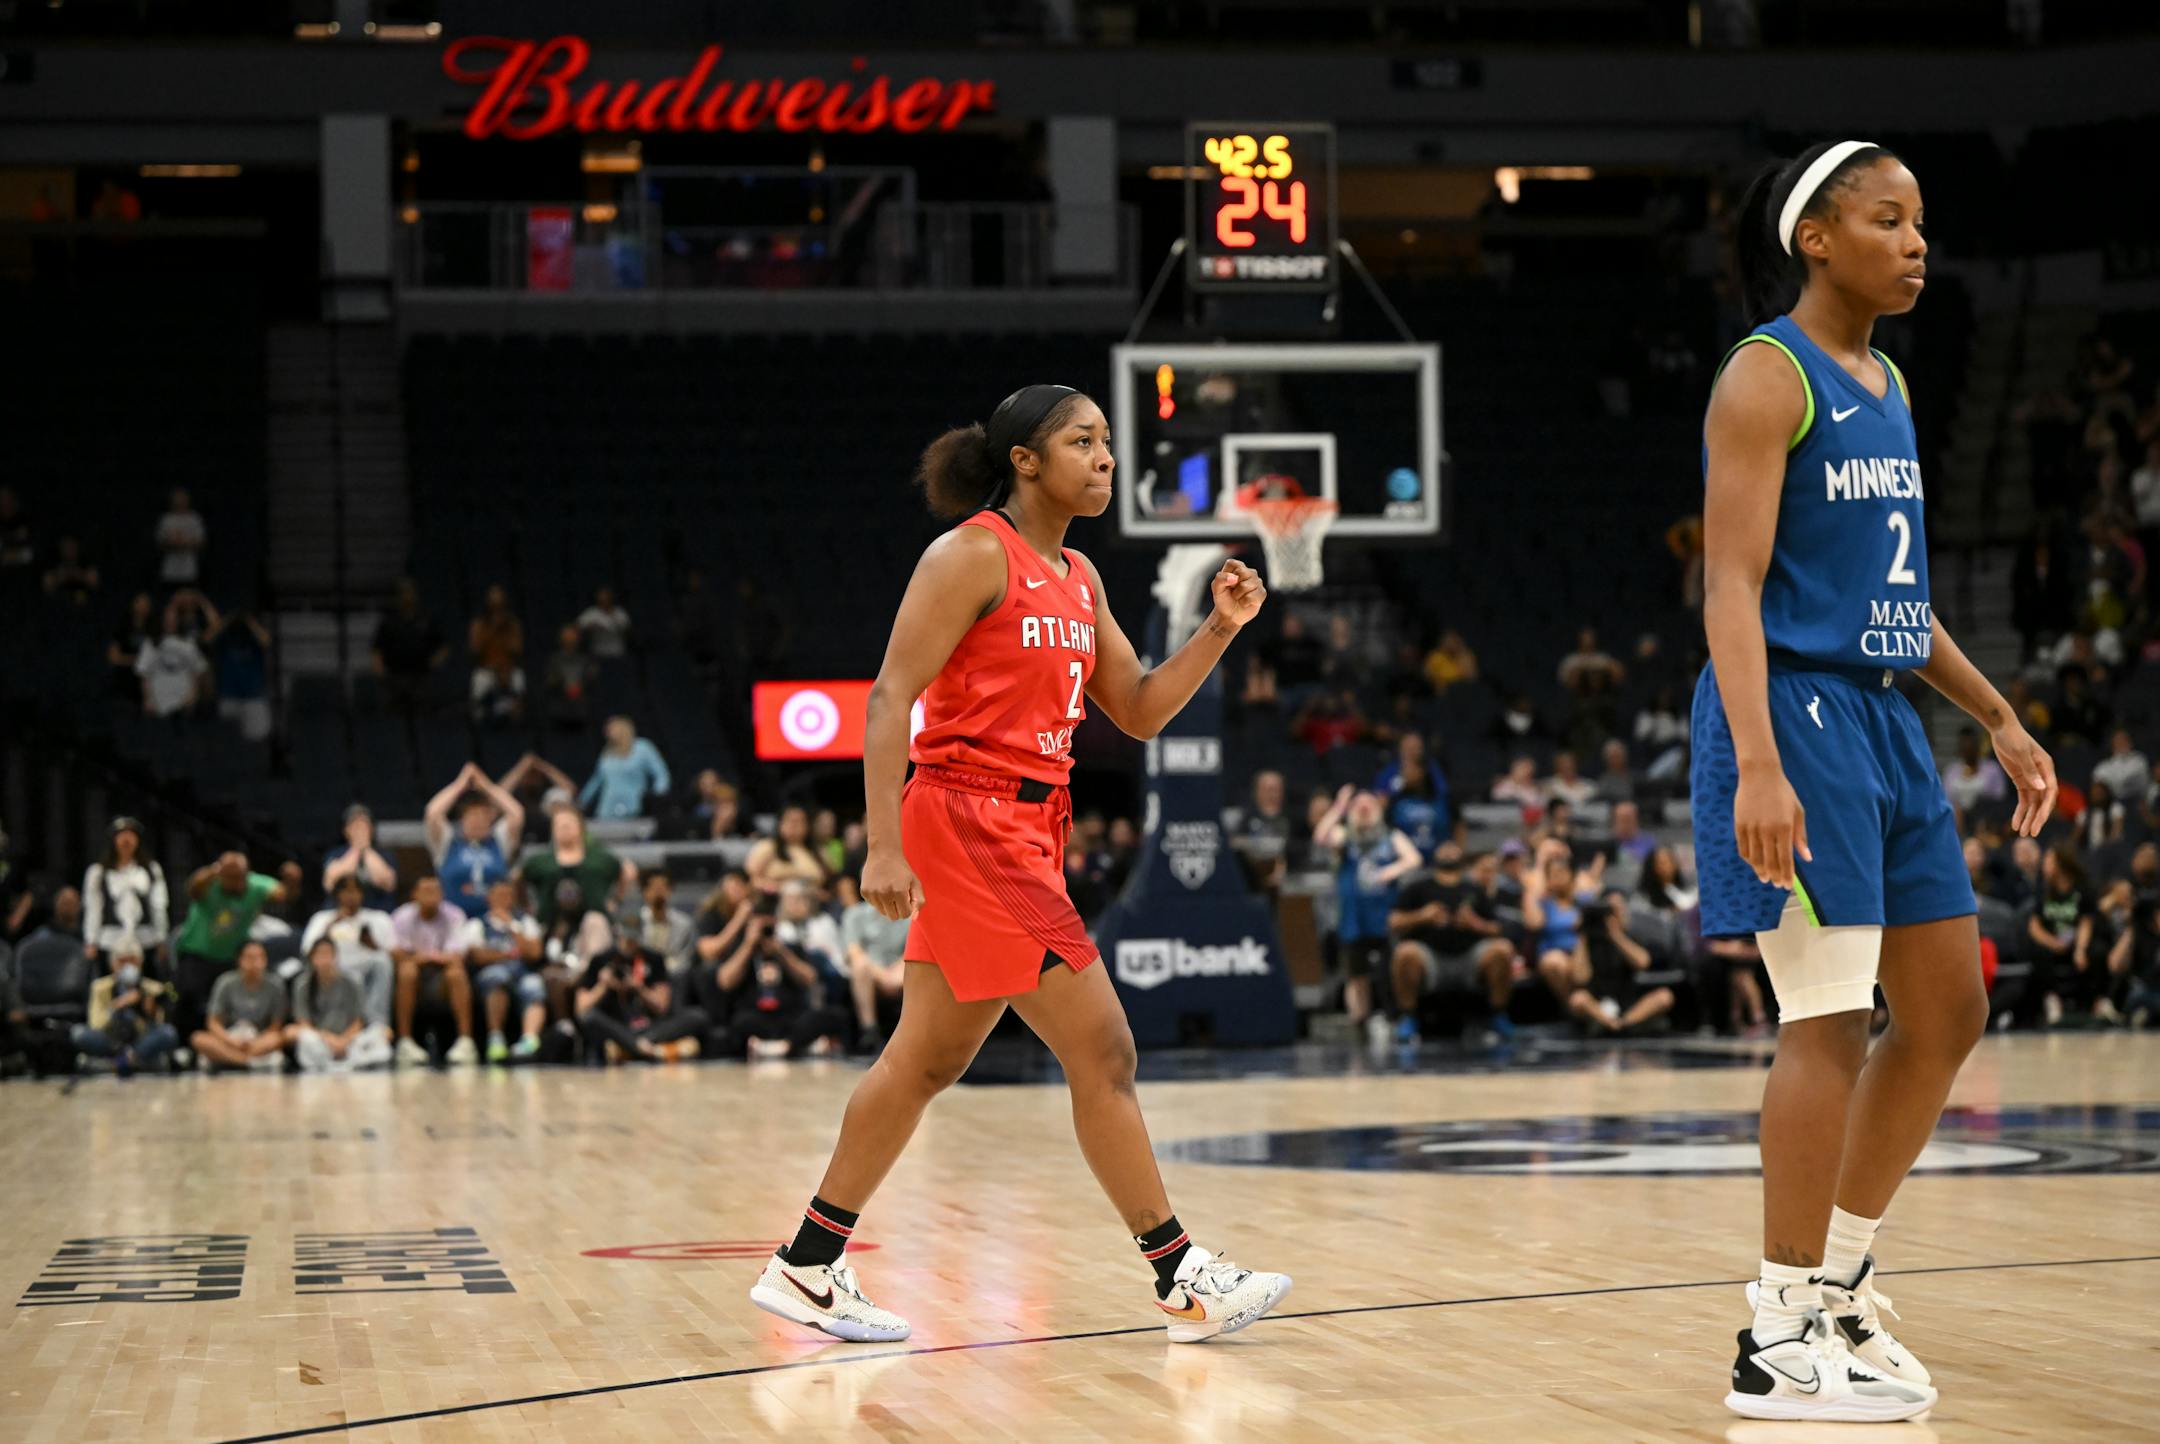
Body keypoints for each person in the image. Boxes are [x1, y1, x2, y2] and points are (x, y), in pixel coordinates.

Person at [750, 383, 1289, 1347]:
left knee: (926, 1058)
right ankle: (1181, 1275)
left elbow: (1141, 710)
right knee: (1105, 1051)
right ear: (1025, 461)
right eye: (1084, 441)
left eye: (1109, 443)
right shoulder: (968, 554)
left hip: (1032, 829)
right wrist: (880, 843)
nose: (1106, 458)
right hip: (968, 820)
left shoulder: (1080, 578)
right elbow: (888, 699)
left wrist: (1219, 629)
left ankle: (807, 1266)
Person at [1693, 140, 2055, 1421]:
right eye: (1887, 221)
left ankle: (1839, 1283)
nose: (1914, 243)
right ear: (1817, 238)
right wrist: (1760, 760)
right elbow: (1729, 585)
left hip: (1886, 717)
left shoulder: (1888, 381)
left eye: (1920, 224)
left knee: (1947, 1009)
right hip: (1791, 711)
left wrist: (1998, 714)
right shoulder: (1764, 374)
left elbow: (1894, 599)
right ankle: (1777, 1326)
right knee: (1830, 1017)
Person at [1313, 785, 1422, 1046]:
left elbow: (1414, 859)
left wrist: (1391, 871)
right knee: (1355, 973)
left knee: (1389, 969)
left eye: (1368, 805)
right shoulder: (1345, 836)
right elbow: (1321, 836)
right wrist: (1338, 807)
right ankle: (1359, 1022)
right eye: (1358, 806)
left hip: (1384, 916)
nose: (1363, 810)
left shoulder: (1389, 836)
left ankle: (1396, 1018)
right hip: (1353, 918)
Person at [1386, 843, 1515, 1045]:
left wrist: (1475, 923)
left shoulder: (1473, 888)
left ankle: (1498, 1014)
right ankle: (1408, 1017)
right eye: (1443, 848)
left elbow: (1497, 929)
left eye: (1453, 848)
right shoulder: (1417, 886)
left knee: (1503, 950)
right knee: (1405, 953)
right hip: (1431, 957)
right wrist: (1422, 916)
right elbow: (1394, 922)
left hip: (1469, 957)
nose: (1448, 850)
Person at [173, 853, 303, 1043]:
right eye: (231, 878)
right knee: (188, 1001)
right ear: (220, 875)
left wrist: (293, 880)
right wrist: (212, 871)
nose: (237, 883)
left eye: (240, 877)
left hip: (228, 957)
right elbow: (192, 889)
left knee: (223, 1004)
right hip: (197, 955)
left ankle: (226, 1046)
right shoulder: (209, 883)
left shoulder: (255, 885)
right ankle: (183, 1046)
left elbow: (284, 894)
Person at [572, 931, 701, 1063]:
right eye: (626, 935)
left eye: (634, 936)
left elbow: (662, 1007)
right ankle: (647, 1048)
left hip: (650, 1028)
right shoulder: (600, 960)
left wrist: (639, 987)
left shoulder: (653, 958)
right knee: (590, 1017)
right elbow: (582, 1010)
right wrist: (603, 985)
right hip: (616, 1028)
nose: (629, 942)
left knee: (697, 1017)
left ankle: (630, 1048)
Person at [424, 762, 527, 921]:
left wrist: (486, 785)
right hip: (453, 921)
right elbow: (432, 813)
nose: (478, 821)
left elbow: (516, 813)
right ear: (462, 820)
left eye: (483, 817)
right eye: (472, 816)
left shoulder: (498, 842)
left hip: (494, 920)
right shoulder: (447, 843)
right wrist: (460, 784)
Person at [389, 876, 475, 1067]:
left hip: (442, 980)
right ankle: (405, 1042)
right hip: (416, 980)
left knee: (456, 973)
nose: (431, 896)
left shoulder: (455, 915)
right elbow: (396, 954)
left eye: (435, 891)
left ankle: (465, 1041)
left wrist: (423, 957)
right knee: (407, 971)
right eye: (426, 891)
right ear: (414, 895)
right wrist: (429, 957)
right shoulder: (401, 916)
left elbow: (457, 956)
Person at [460, 877, 546, 1063]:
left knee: (534, 984)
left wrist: (512, 926)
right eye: (499, 895)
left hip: (522, 973)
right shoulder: (477, 924)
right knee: (498, 976)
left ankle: (530, 1040)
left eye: (508, 895)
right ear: (488, 898)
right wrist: (510, 954)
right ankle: (496, 1039)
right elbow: (477, 956)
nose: (504, 899)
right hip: (490, 976)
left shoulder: (524, 922)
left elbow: (534, 952)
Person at [298, 875, 396, 1034]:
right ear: (337, 894)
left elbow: (393, 953)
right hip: (335, 968)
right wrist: (332, 924)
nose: (351, 895)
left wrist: (372, 943)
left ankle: (376, 1023)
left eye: (356, 891)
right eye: (346, 891)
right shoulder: (322, 918)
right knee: (339, 972)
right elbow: (308, 952)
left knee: (382, 961)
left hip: (365, 967)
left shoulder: (378, 918)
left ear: (363, 894)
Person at [70, 942, 178, 1075]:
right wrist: (117, 1005)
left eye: (132, 960)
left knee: (169, 1033)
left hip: (140, 1041)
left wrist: (147, 1009)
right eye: (121, 961)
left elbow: (159, 1024)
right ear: (113, 964)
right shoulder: (99, 987)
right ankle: (136, 1063)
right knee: (78, 1033)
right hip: (111, 1040)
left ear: (140, 963)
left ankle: (120, 1063)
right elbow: (96, 1024)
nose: (127, 966)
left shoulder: (154, 988)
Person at [290, 936, 393, 1072]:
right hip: (321, 1041)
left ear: (336, 957)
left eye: (328, 954)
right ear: (312, 958)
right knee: (296, 1034)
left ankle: (351, 1060)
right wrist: (329, 1039)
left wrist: (344, 1041)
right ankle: (331, 1061)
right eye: (320, 954)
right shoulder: (302, 984)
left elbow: (358, 1021)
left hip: (349, 1041)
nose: (325, 959)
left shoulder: (353, 981)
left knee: (383, 1033)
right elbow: (303, 1023)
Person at [82, 816, 168, 974]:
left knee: (147, 986)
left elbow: (158, 906)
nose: (126, 840)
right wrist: (91, 941)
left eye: (131, 835)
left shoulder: (151, 869)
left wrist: (161, 938)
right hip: (109, 939)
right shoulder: (98, 872)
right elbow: (93, 908)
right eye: (121, 835)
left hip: (144, 938)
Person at [189, 939, 288, 1072]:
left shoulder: (275, 985)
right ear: (239, 960)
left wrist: (256, 1041)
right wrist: (231, 1040)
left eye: (260, 957)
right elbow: (213, 1022)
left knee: (277, 1038)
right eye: (250, 957)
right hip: (230, 1035)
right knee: (198, 1039)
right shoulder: (225, 982)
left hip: (258, 1038)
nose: (255, 962)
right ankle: (247, 1063)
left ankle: (228, 1060)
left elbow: (276, 1025)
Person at [841, 876, 911, 1051]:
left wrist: (893, 975)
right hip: (870, 972)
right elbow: (853, 951)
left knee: (918, 960)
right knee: (860, 965)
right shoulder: (855, 914)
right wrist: (883, 975)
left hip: (900, 969)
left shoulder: (909, 913)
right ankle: (869, 1030)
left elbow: (911, 950)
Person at [370, 578, 448, 714]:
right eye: (403, 593)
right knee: (392, 716)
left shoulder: (426, 619)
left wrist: (434, 662)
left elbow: (443, 646)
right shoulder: (389, 621)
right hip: (394, 677)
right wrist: (380, 672)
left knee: (422, 714)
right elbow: (377, 649)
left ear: (415, 595)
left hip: (420, 677)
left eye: (409, 592)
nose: (407, 596)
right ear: (398, 597)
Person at [579, 715, 671, 820]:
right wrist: (582, 801)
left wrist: (657, 798)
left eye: (613, 728)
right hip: (607, 809)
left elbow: (662, 774)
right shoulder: (607, 753)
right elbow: (596, 780)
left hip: (635, 807)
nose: (608, 732)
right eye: (608, 729)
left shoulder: (642, 748)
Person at [321, 804, 398, 913]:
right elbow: (331, 884)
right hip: (340, 913)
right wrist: (356, 850)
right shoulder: (335, 853)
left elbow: (387, 883)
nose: (360, 830)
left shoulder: (385, 854)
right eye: (355, 826)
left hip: (377, 912)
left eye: (364, 825)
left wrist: (366, 850)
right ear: (346, 830)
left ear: (371, 829)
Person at [468, 584, 525, 724]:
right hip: (486, 670)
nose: (497, 609)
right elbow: (475, 650)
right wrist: (492, 631)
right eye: (494, 605)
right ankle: (481, 716)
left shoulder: (513, 624)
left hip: (508, 670)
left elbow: (517, 649)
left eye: (500, 605)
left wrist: (504, 632)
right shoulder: (479, 624)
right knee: (478, 681)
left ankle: (514, 713)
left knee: (519, 678)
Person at [746, 804, 829, 894]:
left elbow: (830, 879)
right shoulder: (768, 846)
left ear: (807, 826)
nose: (794, 825)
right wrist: (779, 888)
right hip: (774, 898)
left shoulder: (818, 850)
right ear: (780, 824)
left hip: (813, 900)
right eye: (790, 821)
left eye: (799, 821)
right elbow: (753, 880)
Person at [154, 487, 206, 587]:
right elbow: (160, 542)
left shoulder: (194, 519)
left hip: (189, 569)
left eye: (182, 498)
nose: (180, 501)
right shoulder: (166, 519)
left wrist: (185, 543)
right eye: (177, 498)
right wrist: (173, 543)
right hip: (170, 569)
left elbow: (201, 541)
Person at [577, 585, 633, 659]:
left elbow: (628, 630)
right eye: (602, 596)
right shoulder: (591, 613)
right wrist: (589, 629)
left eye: (606, 596)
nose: (604, 599)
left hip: (617, 652)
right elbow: (577, 628)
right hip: (598, 653)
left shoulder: (620, 612)